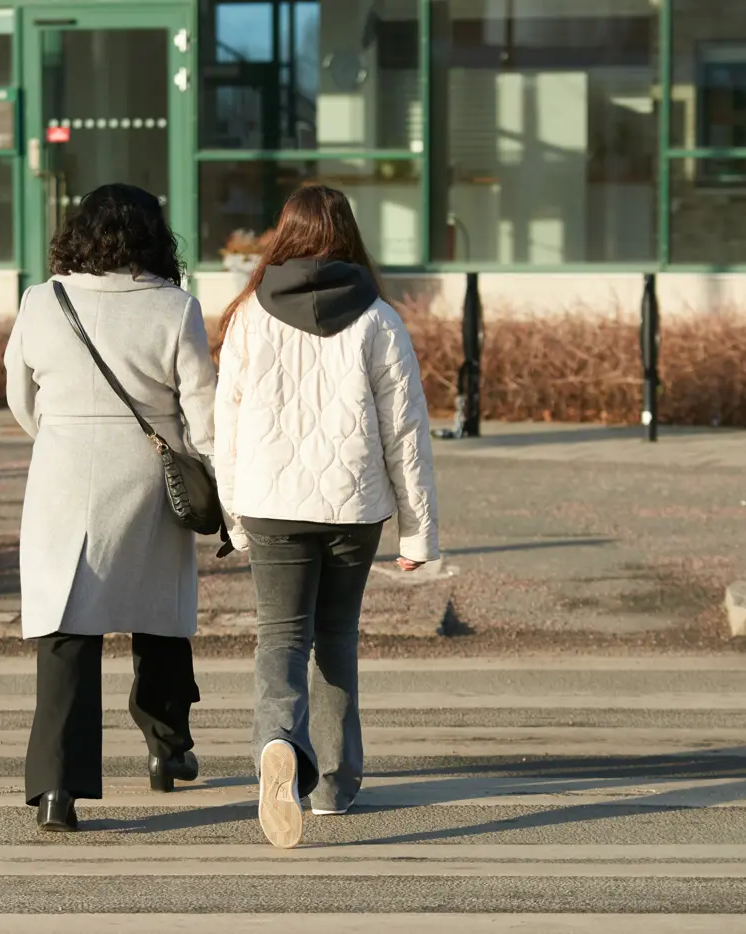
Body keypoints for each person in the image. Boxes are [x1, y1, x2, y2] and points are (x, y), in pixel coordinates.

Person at [212, 184, 439, 848]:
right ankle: (335, 785)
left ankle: (278, 745)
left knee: (280, 637)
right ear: (348, 234)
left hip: (271, 504)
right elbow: (406, 432)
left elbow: (224, 424)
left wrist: (232, 515)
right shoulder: (379, 319)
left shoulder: (250, 316)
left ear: (283, 235)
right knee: (336, 638)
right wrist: (419, 531)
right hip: (353, 505)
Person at [5, 183, 216, 832]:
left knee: (66, 629)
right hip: (148, 477)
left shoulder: (43, 301)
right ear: (155, 238)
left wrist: (61, 434)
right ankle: (167, 747)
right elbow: (203, 413)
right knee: (159, 616)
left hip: (62, 479)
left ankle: (56, 791)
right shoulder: (175, 309)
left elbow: (20, 395)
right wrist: (216, 479)